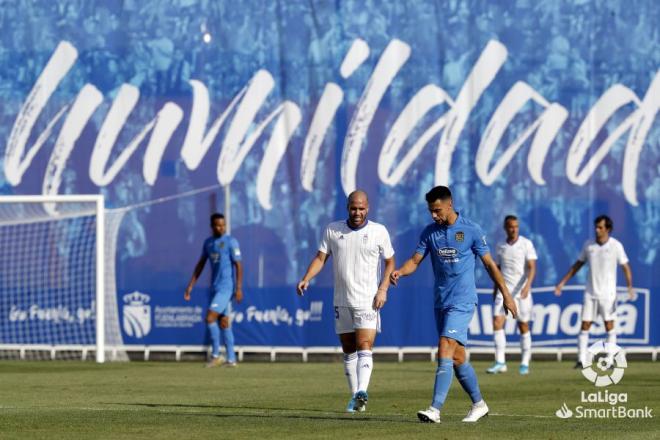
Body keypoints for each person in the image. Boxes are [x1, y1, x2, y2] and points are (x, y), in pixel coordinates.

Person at [390, 186, 517, 424]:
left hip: (463, 300)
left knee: (445, 345)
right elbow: (415, 261)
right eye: (430, 211)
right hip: (441, 302)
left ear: (450, 204)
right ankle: (479, 404)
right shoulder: (430, 232)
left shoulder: (471, 230)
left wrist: (507, 295)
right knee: (458, 358)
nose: (434, 215)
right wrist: (400, 272)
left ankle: (435, 409)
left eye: (437, 210)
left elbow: (490, 265)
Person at [297, 190, 395, 413]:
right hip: (341, 299)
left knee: (365, 345)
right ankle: (355, 399)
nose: (357, 212)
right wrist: (306, 278)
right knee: (348, 348)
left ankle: (362, 391)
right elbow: (321, 258)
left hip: (368, 300)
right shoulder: (333, 230)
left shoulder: (379, 231)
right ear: (347, 207)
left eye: (361, 208)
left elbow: (390, 262)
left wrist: (383, 289)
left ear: (368, 208)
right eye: (354, 208)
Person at [554, 215, 633, 368]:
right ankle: (581, 360)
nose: (597, 230)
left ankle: (610, 360)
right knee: (585, 325)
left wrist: (630, 286)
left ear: (608, 229)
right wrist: (562, 283)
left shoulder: (616, 246)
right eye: (596, 227)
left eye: (600, 227)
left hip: (608, 295)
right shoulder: (589, 245)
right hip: (590, 293)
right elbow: (577, 265)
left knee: (609, 326)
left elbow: (626, 267)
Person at [185, 213, 243, 367]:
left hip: (226, 288)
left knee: (210, 318)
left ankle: (216, 355)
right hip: (215, 287)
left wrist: (238, 288)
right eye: (218, 225)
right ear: (212, 226)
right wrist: (191, 285)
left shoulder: (231, 241)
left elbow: (238, 265)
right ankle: (231, 359)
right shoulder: (208, 243)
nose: (221, 227)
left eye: (223, 225)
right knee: (224, 322)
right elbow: (201, 264)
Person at [487, 215, 537, 375]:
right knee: (497, 322)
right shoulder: (500, 246)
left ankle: (524, 362)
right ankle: (500, 362)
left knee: (523, 325)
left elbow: (532, 267)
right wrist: (496, 290)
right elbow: (497, 271)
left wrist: (527, 286)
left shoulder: (526, 244)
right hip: (504, 291)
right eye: (510, 226)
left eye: (516, 226)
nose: (513, 229)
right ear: (505, 227)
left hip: (521, 292)